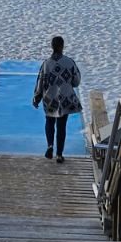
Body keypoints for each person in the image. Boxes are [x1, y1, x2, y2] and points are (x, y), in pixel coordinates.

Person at [32, 35, 81, 163]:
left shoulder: (46, 64)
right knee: (61, 126)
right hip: (65, 99)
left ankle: (50, 146)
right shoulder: (70, 62)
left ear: (52, 47)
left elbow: (40, 82)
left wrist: (36, 97)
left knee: (49, 122)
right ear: (62, 46)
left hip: (50, 98)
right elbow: (76, 82)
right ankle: (59, 155)